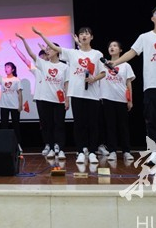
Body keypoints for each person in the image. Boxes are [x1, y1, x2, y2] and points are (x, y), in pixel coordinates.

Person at [109, 5, 156, 164]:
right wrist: (116, 62)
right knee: (152, 120)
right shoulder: (145, 37)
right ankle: (154, 152)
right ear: (152, 19)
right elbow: (132, 52)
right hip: (151, 85)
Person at [33, 26, 106, 164]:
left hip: (93, 95)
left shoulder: (97, 54)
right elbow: (54, 47)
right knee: (78, 124)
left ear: (91, 37)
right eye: (81, 34)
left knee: (93, 124)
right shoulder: (72, 53)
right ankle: (80, 152)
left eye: (87, 34)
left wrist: (93, 79)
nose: (84, 36)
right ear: (79, 37)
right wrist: (41, 34)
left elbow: (103, 72)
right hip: (76, 93)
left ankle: (92, 152)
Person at [16, 33, 68, 158]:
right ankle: (51, 147)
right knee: (47, 125)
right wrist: (23, 40)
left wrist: (67, 99)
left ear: (57, 51)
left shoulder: (64, 67)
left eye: (50, 49)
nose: (47, 50)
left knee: (59, 125)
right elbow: (30, 55)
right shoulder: (43, 64)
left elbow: (66, 84)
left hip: (59, 100)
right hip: (45, 100)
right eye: (47, 49)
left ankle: (61, 149)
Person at [10, 39, 51, 155]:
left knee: (54, 122)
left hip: (53, 98)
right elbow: (25, 60)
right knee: (44, 123)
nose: (41, 60)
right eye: (39, 59)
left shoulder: (55, 67)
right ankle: (47, 144)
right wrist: (16, 48)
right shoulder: (36, 70)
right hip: (41, 99)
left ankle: (56, 144)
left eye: (43, 57)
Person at [101, 40, 136, 161]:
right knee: (110, 126)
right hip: (107, 98)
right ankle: (112, 151)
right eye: (110, 46)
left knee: (123, 126)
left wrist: (130, 100)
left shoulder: (126, 65)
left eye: (115, 46)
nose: (112, 47)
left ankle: (126, 151)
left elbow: (128, 83)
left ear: (120, 50)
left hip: (121, 99)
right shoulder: (103, 65)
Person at [0, 61, 23, 152]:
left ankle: (18, 145)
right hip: (4, 105)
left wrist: (20, 105)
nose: (6, 69)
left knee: (16, 126)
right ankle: (4, 145)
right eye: (5, 67)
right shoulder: (3, 79)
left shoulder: (17, 80)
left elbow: (20, 93)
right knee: (4, 125)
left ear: (13, 69)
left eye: (8, 67)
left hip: (14, 106)